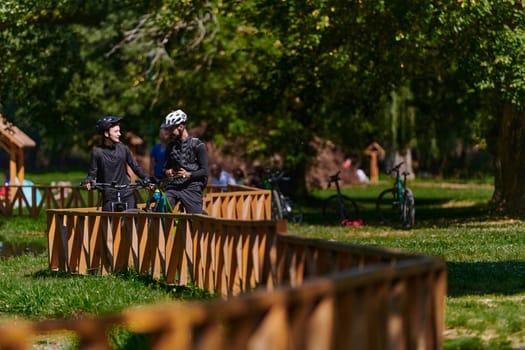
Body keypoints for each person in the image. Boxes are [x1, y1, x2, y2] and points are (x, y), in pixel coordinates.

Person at [82, 115, 151, 211]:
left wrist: (146, 179)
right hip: (109, 195)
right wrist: (87, 181)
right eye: (116, 131)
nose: (119, 134)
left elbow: (135, 167)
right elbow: (92, 173)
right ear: (106, 133)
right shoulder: (97, 152)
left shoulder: (124, 148)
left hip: (127, 193)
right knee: (109, 224)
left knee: (132, 223)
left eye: (119, 131)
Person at [162, 109, 208, 214]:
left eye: (171, 129)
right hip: (173, 186)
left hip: (192, 187)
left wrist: (188, 174)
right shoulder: (170, 146)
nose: (169, 132)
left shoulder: (198, 145)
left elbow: (204, 171)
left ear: (181, 127)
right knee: (159, 211)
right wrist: (167, 171)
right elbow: (164, 168)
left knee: (196, 220)